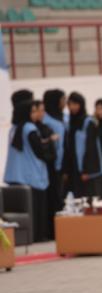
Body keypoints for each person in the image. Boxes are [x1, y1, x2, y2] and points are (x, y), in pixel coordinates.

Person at [3, 99, 51, 242]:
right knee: (35, 209)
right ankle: (37, 236)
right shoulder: (29, 128)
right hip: (30, 175)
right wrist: (48, 145)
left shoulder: (13, 128)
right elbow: (39, 151)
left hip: (13, 175)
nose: (35, 114)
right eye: (32, 111)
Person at [62, 92, 102, 199]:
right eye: (70, 104)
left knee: (88, 201)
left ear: (81, 104)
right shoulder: (69, 123)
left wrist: (87, 171)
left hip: (86, 172)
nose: (72, 107)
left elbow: (91, 148)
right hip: (73, 170)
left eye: (75, 104)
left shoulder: (88, 123)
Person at [31, 100, 59, 240]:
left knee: (51, 200)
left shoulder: (45, 127)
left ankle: (51, 232)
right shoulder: (31, 129)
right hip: (39, 171)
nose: (41, 114)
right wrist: (49, 140)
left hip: (49, 169)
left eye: (42, 110)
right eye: (38, 110)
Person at [43, 89, 67, 220]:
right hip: (50, 164)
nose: (65, 103)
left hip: (61, 164)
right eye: (62, 99)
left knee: (61, 196)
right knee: (53, 196)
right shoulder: (46, 120)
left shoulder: (64, 117)